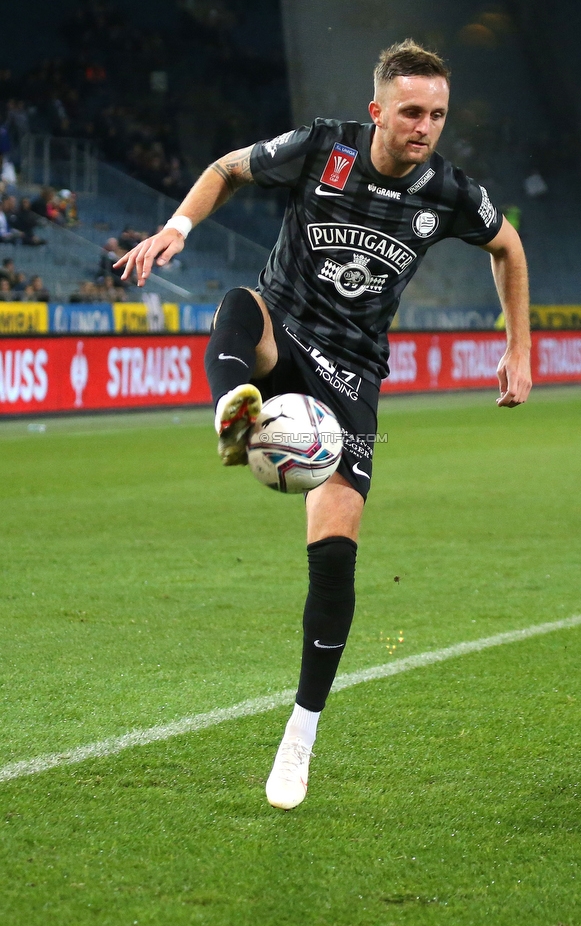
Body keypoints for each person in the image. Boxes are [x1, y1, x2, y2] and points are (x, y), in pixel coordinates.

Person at [115, 40, 532, 811]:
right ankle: (234, 413)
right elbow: (226, 169)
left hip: (351, 377)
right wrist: (178, 226)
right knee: (240, 304)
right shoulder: (322, 147)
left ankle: (299, 738)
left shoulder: (448, 191)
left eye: (438, 114)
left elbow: (506, 245)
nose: (426, 128)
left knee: (335, 556)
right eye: (411, 112)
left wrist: (518, 348)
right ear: (377, 110)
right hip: (285, 329)